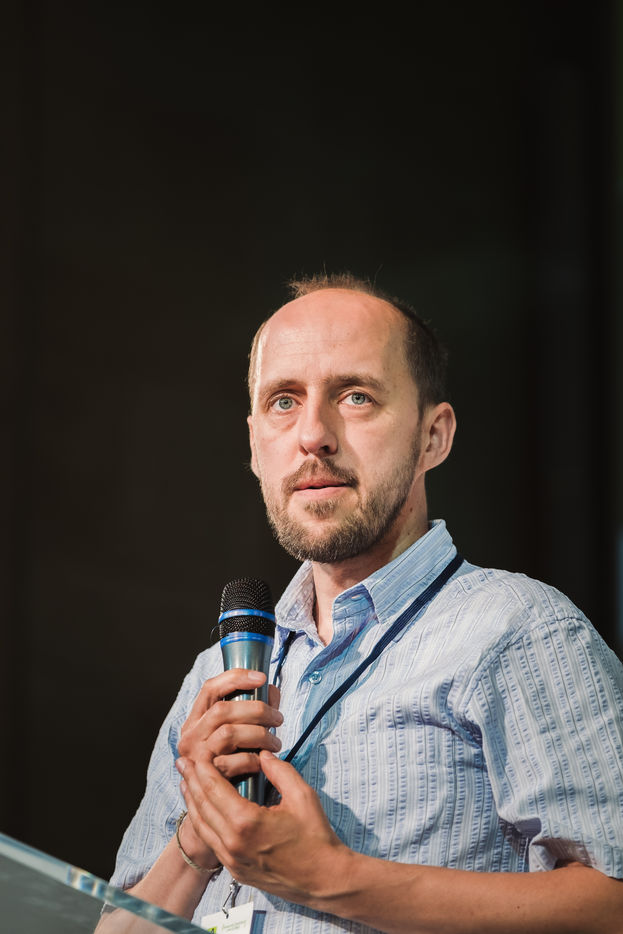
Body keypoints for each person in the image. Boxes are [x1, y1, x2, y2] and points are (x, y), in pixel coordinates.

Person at [105, 273, 623, 933]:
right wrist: (200, 836)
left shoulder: (517, 628)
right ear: (254, 444)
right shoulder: (215, 677)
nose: (313, 435)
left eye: (355, 396)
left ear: (433, 437)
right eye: (283, 401)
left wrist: (333, 879)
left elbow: (612, 903)